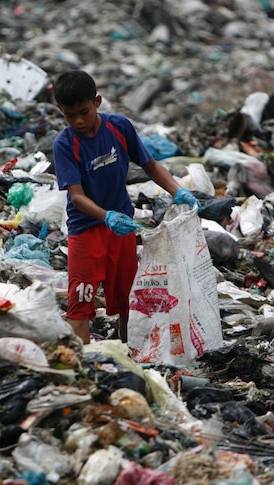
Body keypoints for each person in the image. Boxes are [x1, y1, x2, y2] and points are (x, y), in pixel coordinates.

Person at [51, 70, 201, 344]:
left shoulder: (119, 127)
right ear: (60, 110)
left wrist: (178, 191)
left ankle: (130, 356)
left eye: (84, 111)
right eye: (70, 115)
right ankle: (86, 367)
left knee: (127, 301)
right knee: (80, 303)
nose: (79, 121)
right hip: (86, 231)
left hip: (122, 230)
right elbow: (76, 196)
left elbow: (150, 165)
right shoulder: (65, 144)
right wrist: (105, 216)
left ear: (97, 101)